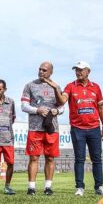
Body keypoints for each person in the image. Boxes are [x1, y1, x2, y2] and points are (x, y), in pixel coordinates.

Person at [61, 61, 103, 196]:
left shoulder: (96, 87)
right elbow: (63, 99)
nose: (78, 72)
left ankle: (99, 187)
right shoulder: (70, 86)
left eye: (81, 70)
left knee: (97, 159)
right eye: (76, 70)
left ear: (88, 71)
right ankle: (80, 187)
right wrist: (57, 90)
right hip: (77, 128)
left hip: (94, 128)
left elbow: (100, 108)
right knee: (79, 158)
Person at [21, 62, 64, 195]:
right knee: (34, 158)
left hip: (52, 129)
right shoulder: (30, 85)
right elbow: (24, 106)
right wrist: (37, 110)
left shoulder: (56, 87)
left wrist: (57, 112)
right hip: (35, 127)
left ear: (51, 72)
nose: (41, 72)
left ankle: (48, 187)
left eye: (44, 70)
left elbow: (62, 106)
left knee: (50, 158)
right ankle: (31, 188)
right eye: (40, 69)